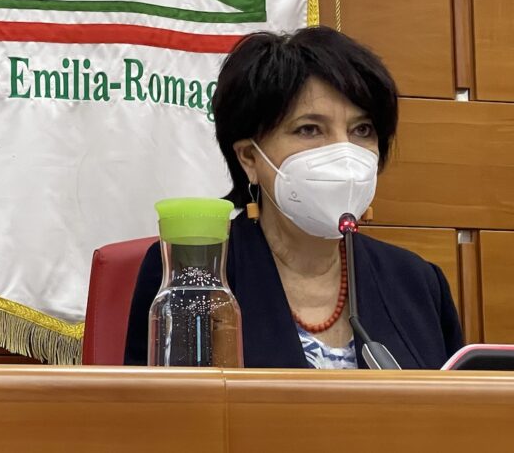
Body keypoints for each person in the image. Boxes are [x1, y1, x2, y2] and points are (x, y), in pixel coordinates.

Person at [124, 26, 462, 369]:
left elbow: (457, 401)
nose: (343, 153)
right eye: (309, 129)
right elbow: (164, 402)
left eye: (362, 130)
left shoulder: (417, 282)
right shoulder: (193, 274)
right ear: (249, 158)